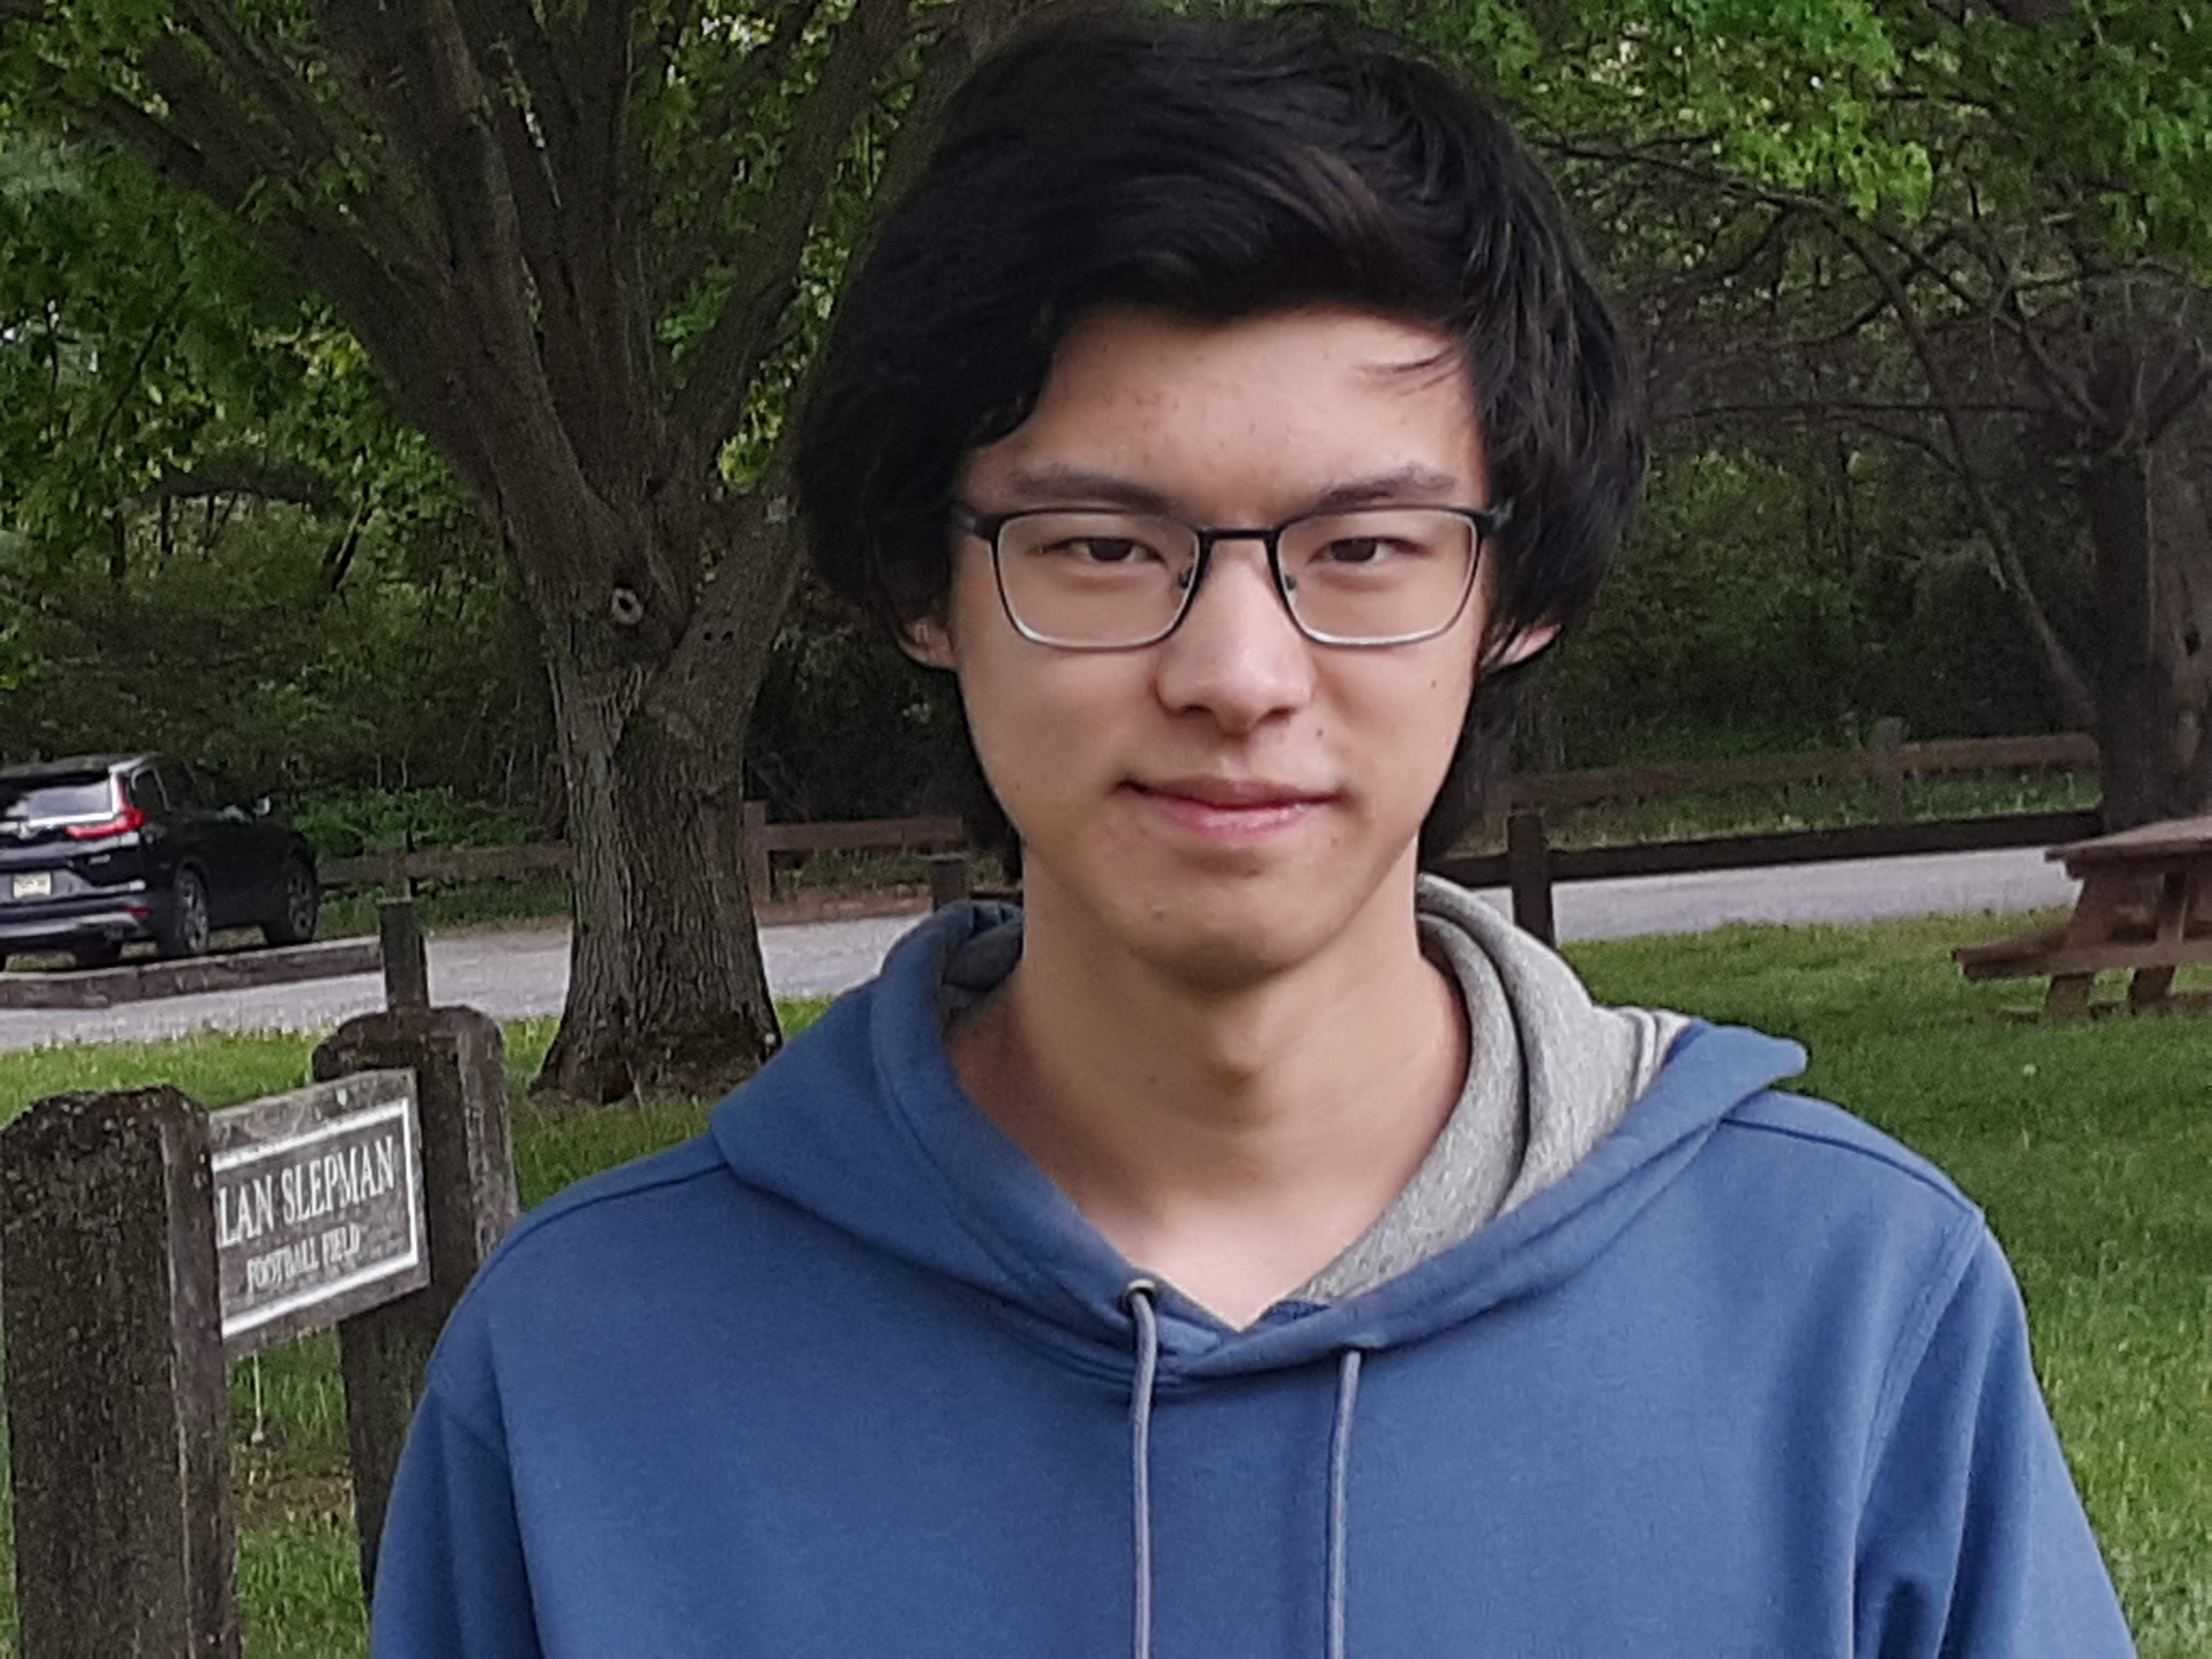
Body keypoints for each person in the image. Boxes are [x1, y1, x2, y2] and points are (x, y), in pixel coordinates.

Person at [370, 10, 2136, 1655]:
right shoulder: (582, 1374)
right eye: (1100, 547)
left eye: (1361, 549)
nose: (1236, 672)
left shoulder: (1854, 1315)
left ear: (1515, 592)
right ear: (925, 581)